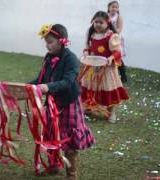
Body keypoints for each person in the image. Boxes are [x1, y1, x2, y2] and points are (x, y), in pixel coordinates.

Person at [30, 24, 95, 179]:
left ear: (62, 41)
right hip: (53, 103)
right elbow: (41, 78)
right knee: (51, 134)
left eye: (50, 41)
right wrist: (27, 86)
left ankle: (71, 175)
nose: (47, 45)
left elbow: (67, 81)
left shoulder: (71, 59)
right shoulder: (48, 57)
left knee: (69, 139)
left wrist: (47, 87)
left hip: (69, 103)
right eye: (46, 42)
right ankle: (53, 167)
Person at [79, 11, 129, 123]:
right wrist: (86, 54)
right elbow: (87, 48)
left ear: (107, 23)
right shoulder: (91, 35)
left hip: (107, 69)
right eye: (95, 22)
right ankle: (88, 107)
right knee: (90, 88)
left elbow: (117, 52)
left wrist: (111, 58)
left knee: (108, 90)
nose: (97, 24)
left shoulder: (111, 36)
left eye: (100, 22)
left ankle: (112, 112)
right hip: (92, 67)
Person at [108, 0, 127, 83]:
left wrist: (111, 31)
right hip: (107, 38)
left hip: (115, 39)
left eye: (116, 7)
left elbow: (119, 29)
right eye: (112, 6)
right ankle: (110, 74)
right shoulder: (106, 16)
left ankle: (123, 75)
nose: (114, 8)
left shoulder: (118, 17)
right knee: (109, 55)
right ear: (109, 7)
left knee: (117, 56)